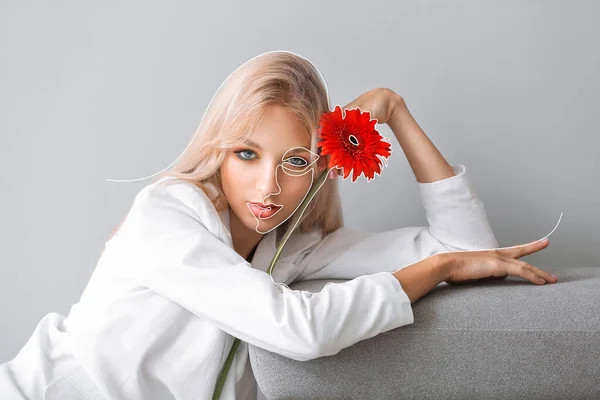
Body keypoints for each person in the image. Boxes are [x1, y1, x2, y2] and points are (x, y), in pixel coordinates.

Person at [0, 51, 557, 400]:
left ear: (317, 166)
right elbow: (300, 330)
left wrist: (393, 111)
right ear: (219, 150)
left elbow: (469, 246)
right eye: (247, 154)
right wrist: (438, 269)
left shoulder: (294, 245)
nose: (269, 187)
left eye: (293, 161)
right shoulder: (166, 214)